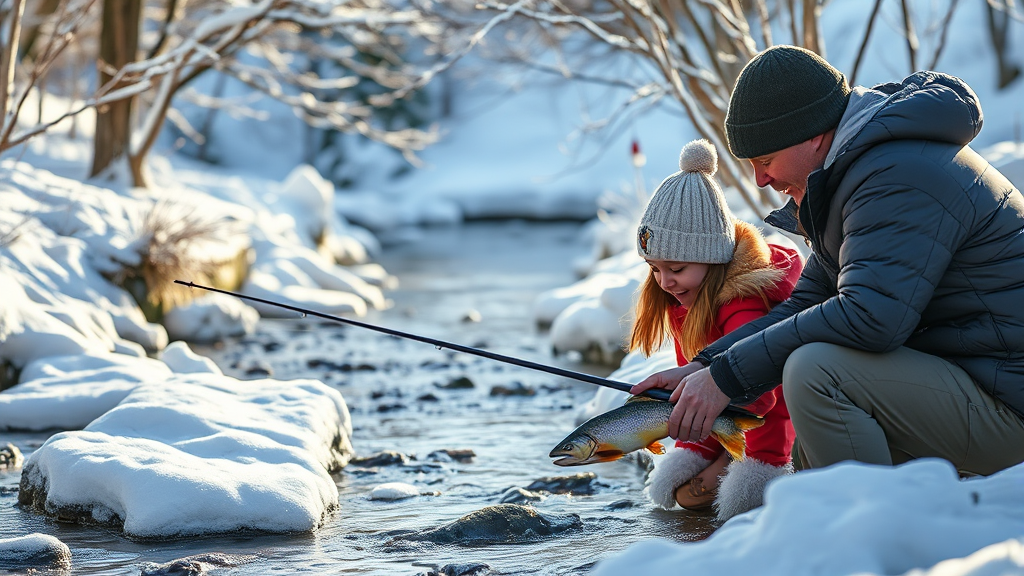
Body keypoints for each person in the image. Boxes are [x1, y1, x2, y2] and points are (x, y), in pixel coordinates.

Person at [632, 45, 1024, 482]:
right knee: (808, 450)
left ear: (814, 136)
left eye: (765, 160)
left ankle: (867, 534)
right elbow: (804, 304)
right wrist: (704, 366)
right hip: (979, 385)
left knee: (816, 372)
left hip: (1010, 405)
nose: (761, 179)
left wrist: (726, 378)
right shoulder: (860, 173)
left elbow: (871, 316)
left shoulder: (898, 177)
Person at [629, 138, 802, 522]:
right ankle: (721, 449)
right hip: (729, 414)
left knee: (707, 506)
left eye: (676, 269)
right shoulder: (684, 299)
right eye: (655, 269)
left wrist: (761, 459)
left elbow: (759, 397)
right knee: (677, 495)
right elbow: (695, 372)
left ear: (714, 259)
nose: (664, 281)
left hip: (772, 422)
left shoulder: (744, 301)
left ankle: (772, 466)